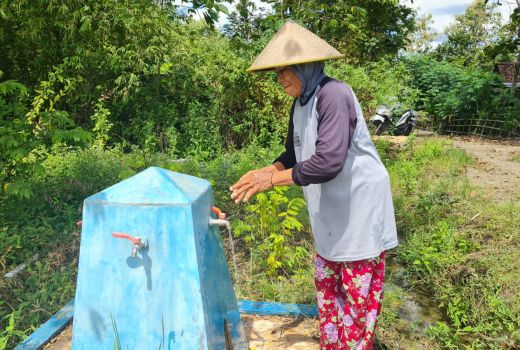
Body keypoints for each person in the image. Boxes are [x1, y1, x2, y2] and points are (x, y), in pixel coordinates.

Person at [230, 21, 398, 350]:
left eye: (283, 70)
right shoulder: (301, 103)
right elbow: (293, 154)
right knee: (329, 285)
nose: (279, 78)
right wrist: (264, 171)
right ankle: (333, 344)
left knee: (354, 296)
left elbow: (328, 161)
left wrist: (271, 181)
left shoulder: (334, 95)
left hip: (359, 206)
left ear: (304, 66)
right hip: (332, 209)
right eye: (276, 71)